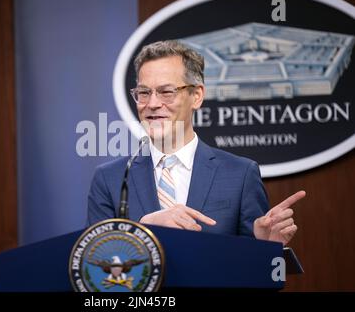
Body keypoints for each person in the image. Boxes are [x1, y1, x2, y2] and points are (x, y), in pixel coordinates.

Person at [87, 40, 305, 245]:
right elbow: (95, 265)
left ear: (197, 96)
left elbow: (255, 273)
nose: (152, 103)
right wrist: (144, 227)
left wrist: (263, 247)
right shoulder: (110, 178)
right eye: (144, 93)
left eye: (166, 92)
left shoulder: (240, 175)